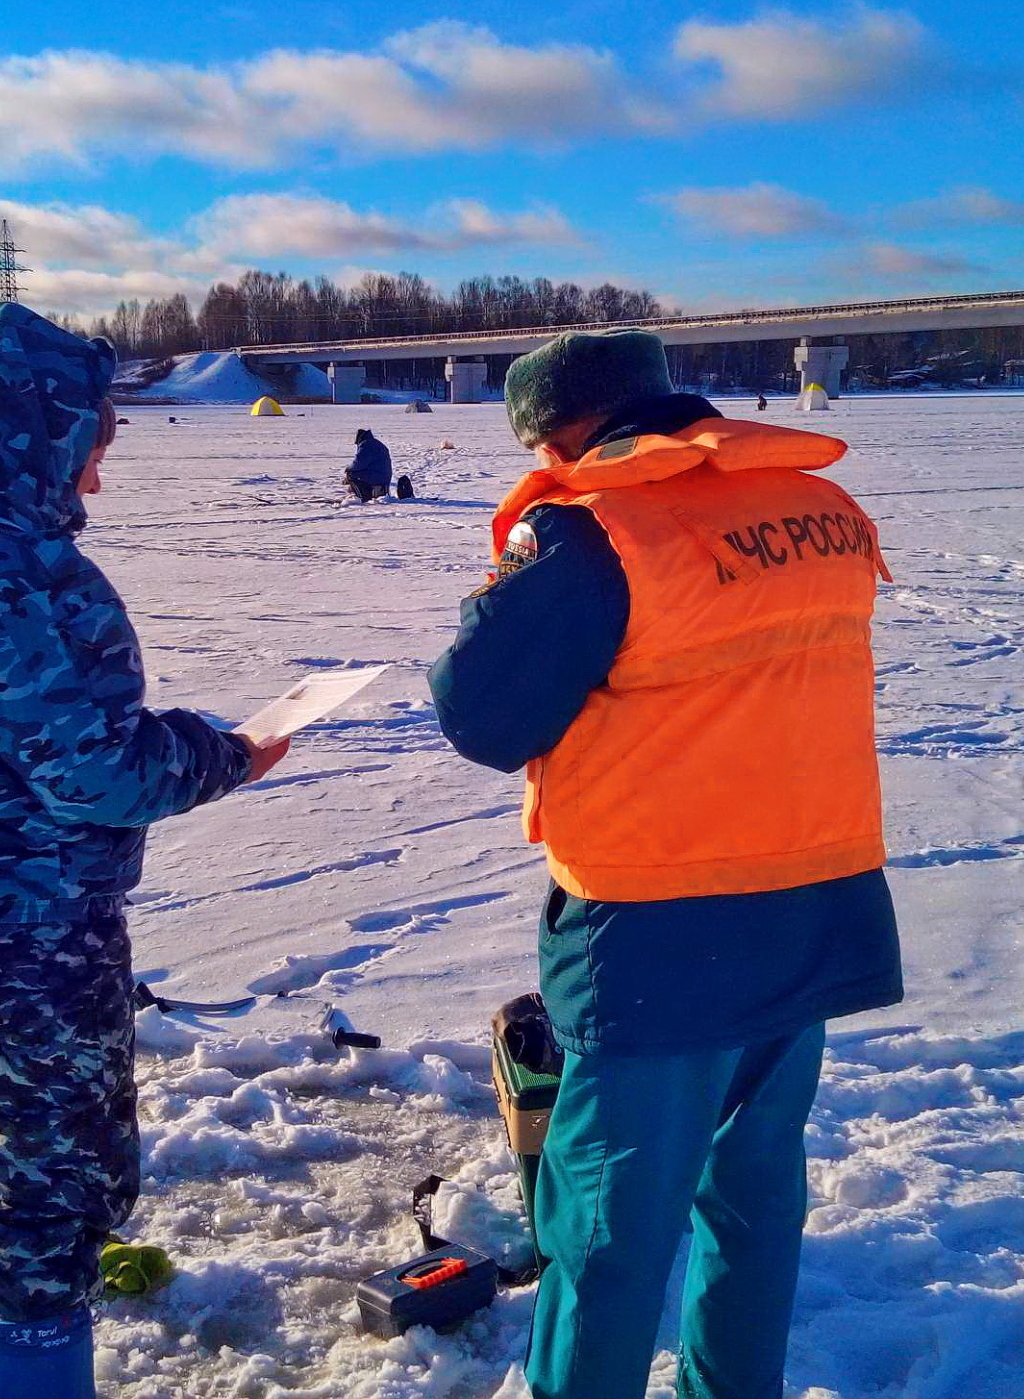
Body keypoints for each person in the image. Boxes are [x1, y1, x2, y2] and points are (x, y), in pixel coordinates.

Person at [428, 330, 902, 1399]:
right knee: (754, 1193)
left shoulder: (596, 528)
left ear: (560, 431)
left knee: (605, 1226)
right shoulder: (807, 504)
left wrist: (501, 591)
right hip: (815, 901)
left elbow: (480, 709)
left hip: (661, 930)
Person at [0, 302, 288, 1399]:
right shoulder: (12, 573)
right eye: (92, 435)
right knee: (45, 1202)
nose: (100, 462)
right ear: (38, 424)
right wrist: (229, 753)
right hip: (27, 945)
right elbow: (94, 772)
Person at [345, 427, 392, 501]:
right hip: (383, 476)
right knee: (358, 474)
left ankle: (361, 497)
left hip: (377, 476)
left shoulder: (366, 445)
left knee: (351, 474)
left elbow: (358, 464)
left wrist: (348, 468)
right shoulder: (375, 443)